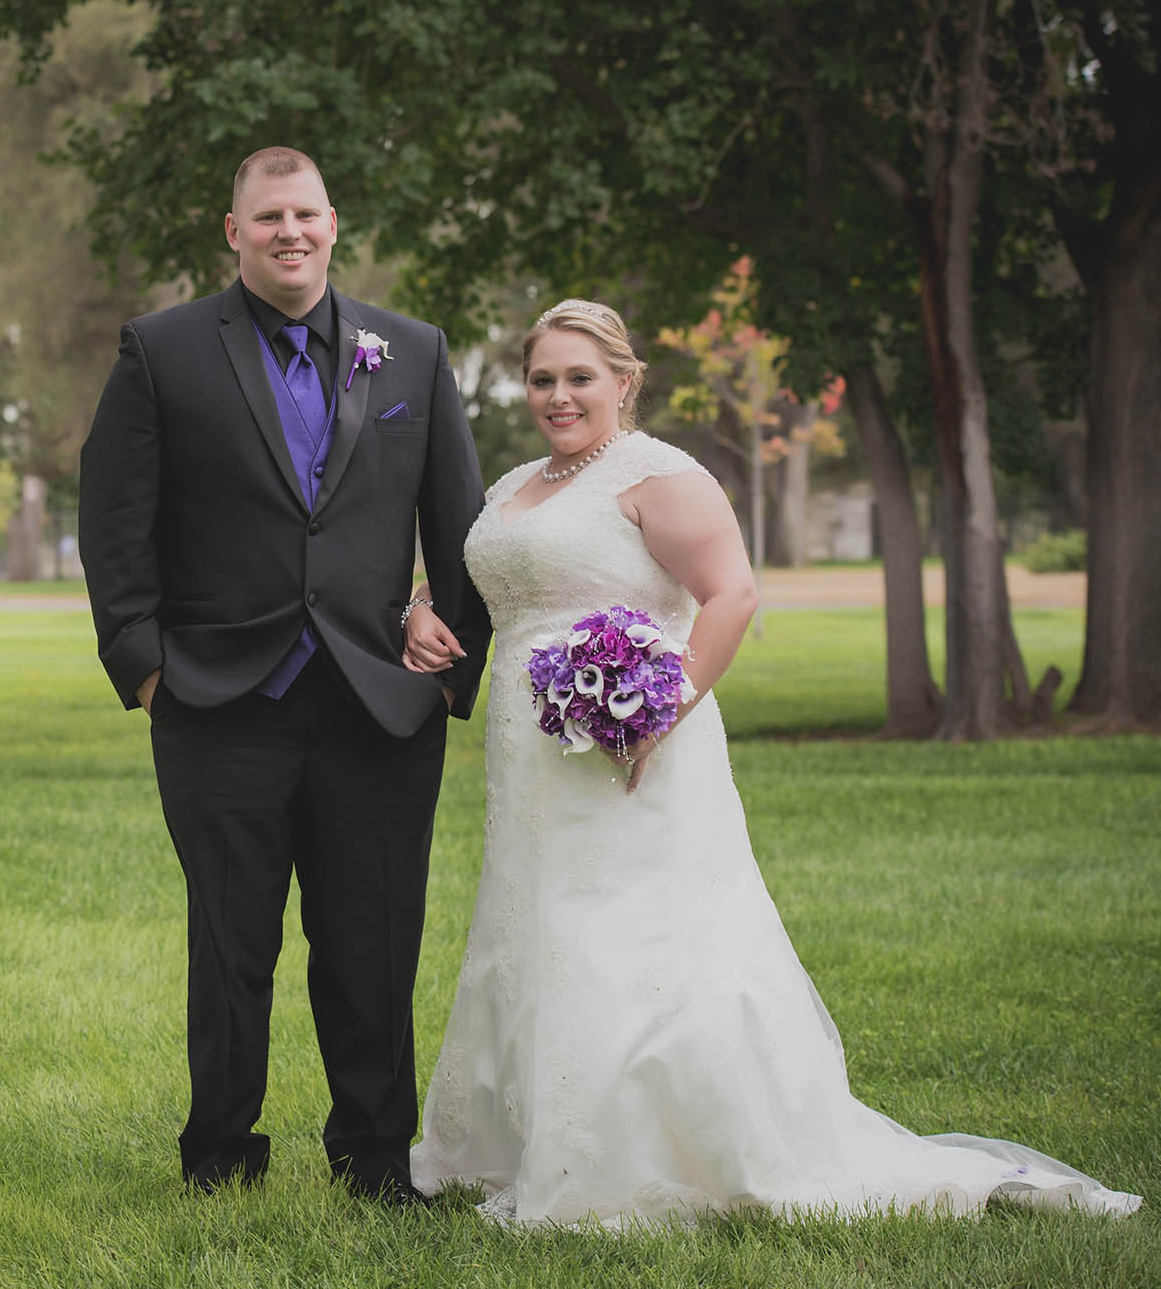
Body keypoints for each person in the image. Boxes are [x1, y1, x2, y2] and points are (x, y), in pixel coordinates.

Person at [399, 297, 1141, 1225]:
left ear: (625, 382)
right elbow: (482, 581)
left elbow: (731, 596)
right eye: (543, 377)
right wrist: (419, 609)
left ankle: (647, 1154)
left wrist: (655, 713)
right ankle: (522, 1144)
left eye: (580, 376)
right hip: (528, 759)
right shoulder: (513, 484)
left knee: (632, 936)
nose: (559, 395)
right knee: (536, 926)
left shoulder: (659, 476)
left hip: (633, 746)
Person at [78, 147, 491, 1204]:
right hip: (217, 703)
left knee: (372, 946)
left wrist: (451, 666)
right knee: (230, 946)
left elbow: (460, 525)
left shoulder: (410, 351)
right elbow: (114, 521)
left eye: (303, 214)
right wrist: (144, 668)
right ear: (232, 231)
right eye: (267, 217)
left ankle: (374, 1161)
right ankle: (218, 1155)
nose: (288, 232)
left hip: (379, 709)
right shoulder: (161, 351)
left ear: (333, 222)